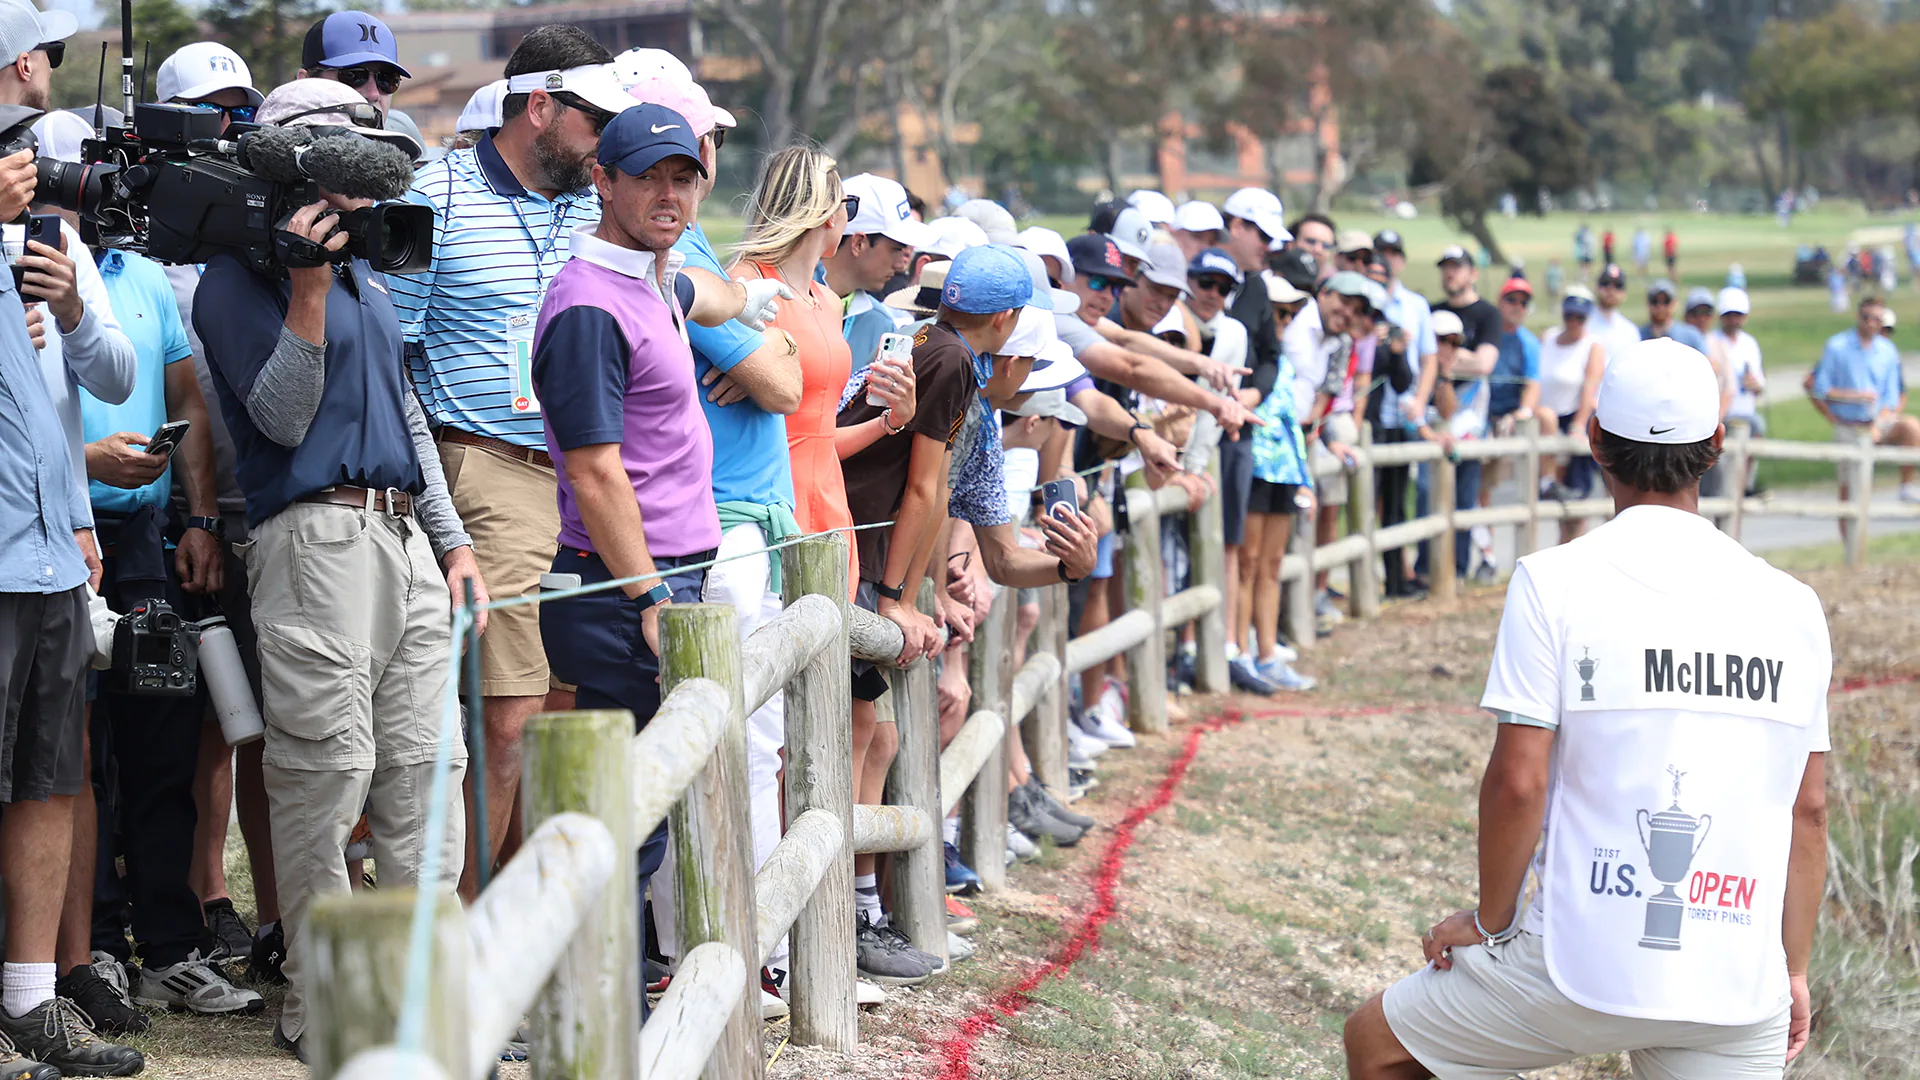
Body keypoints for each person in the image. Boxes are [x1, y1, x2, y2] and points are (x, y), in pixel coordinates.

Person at [1345, 337, 1831, 1080]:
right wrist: (1790, 970)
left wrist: (1489, 921)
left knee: (1376, 1046)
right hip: (1736, 976)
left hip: (1580, 957)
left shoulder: (1553, 581)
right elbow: (1809, 812)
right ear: (1718, 446)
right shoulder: (1795, 607)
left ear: (1596, 440)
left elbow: (1519, 783)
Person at [192, 79, 484, 1060]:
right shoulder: (234, 277)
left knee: (427, 771)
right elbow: (278, 417)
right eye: (340, 157)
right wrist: (306, 290)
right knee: (328, 776)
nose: (362, 180)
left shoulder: (369, 268)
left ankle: (421, 1000)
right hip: (312, 539)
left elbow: (403, 411)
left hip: (403, 538)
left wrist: (452, 539)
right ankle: (327, 1010)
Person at [17, 111, 258, 1029]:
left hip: (143, 537)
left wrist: (198, 516)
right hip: (51, 536)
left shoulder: (146, 276)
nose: (86, 191)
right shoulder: (22, 271)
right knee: (74, 757)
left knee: (160, 740)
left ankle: (169, 947)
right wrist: (86, 467)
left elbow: (182, 392)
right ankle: (91, 955)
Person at [390, 28, 628, 901]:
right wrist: (434, 500)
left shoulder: (592, 200)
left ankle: (510, 933)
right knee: (508, 711)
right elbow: (395, 357)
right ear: (541, 108)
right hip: (484, 467)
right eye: (596, 119)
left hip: (581, 476)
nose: (608, 138)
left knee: (557, 703)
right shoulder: (434, 197)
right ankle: (465, 939)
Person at [731, 146, 939, 986]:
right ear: (829, 216)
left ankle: (811, 935)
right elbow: (769, 429)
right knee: (776, 740)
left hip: (829, 517)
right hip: (774, 518)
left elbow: (813, 432)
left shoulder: (822, 295)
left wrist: (889, 423)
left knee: (814, 732)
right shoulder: (752, 288)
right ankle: (775, 941)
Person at [1810, 297, 1920, 514]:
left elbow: (1892, 396)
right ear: (1858, 317)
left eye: (1877, 319)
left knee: (1911, 426)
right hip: (1849, 422)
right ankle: (1850, 542)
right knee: (1850, 494)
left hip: (1877, 421)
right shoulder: (1837, 346)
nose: (1871, 323)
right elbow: (1820, 388)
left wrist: (1880, 422)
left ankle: (1906, 485)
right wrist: (1854, 397)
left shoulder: (1888, 350)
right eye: (1867, 317)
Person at [827, 172, 934, 373]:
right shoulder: (784, 300)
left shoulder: (880, 323)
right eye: (896, 248)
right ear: (859, 243)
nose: (900, 264)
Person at [1537, 292, 1608, 541]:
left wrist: (1579, 424)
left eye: (1580, 317)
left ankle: (1572, 552)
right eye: (1569, 315)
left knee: (1576, 501)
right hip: (1546, 418)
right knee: (1557, 499)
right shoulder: (1548, 338)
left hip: (1576, 419)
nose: (1574, 321)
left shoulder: (1592, 345)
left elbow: (1590, 386)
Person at [1707, 288, 1765, 497]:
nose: (1733, 320)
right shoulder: (1712, 341)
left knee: (1756, 431)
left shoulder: (1749, 344)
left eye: (1737, 315)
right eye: (1729, 315)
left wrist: (1754, 383)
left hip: (1744, 409)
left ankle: (1746, 483)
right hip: (1723, 411)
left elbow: (1760, 383)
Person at [299, 10, 407, 120]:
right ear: (305, 83)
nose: (373, 94)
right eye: (353, 76)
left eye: (387, 80)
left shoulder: (405, 134)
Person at [1588, 264, 1644, 370]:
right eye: (1605, 284)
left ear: (1624, 293)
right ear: (1596, 288)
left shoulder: (1629, 331)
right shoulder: (1583, 324)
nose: (1611, 290)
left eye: (1617, 286)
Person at [1640, 278, 1705, 352]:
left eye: (1666, 301)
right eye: (1655, 301)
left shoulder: (1691, 336)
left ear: (1675, 303)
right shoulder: (1637, 336)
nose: (1660, 306)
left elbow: (1710, 361)